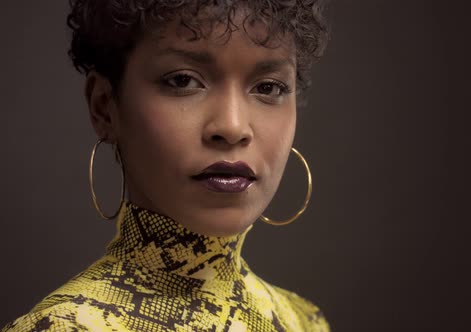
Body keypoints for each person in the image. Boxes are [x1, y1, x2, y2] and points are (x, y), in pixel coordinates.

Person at [2, 0, 329, 331]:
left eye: (268, 87)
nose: (232, 128)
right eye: (183, 81)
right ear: (104, 107)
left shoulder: (304, 321)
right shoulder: (66, 326)